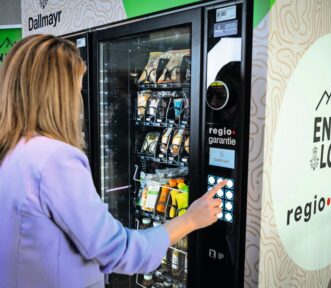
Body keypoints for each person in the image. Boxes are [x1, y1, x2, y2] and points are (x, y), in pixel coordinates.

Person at [0, 34, 225, 288]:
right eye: (78, 87)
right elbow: (116, 250)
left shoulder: (13, 151)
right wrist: (191, 219)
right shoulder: (55, 160)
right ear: (58, 95)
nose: (79, 99)